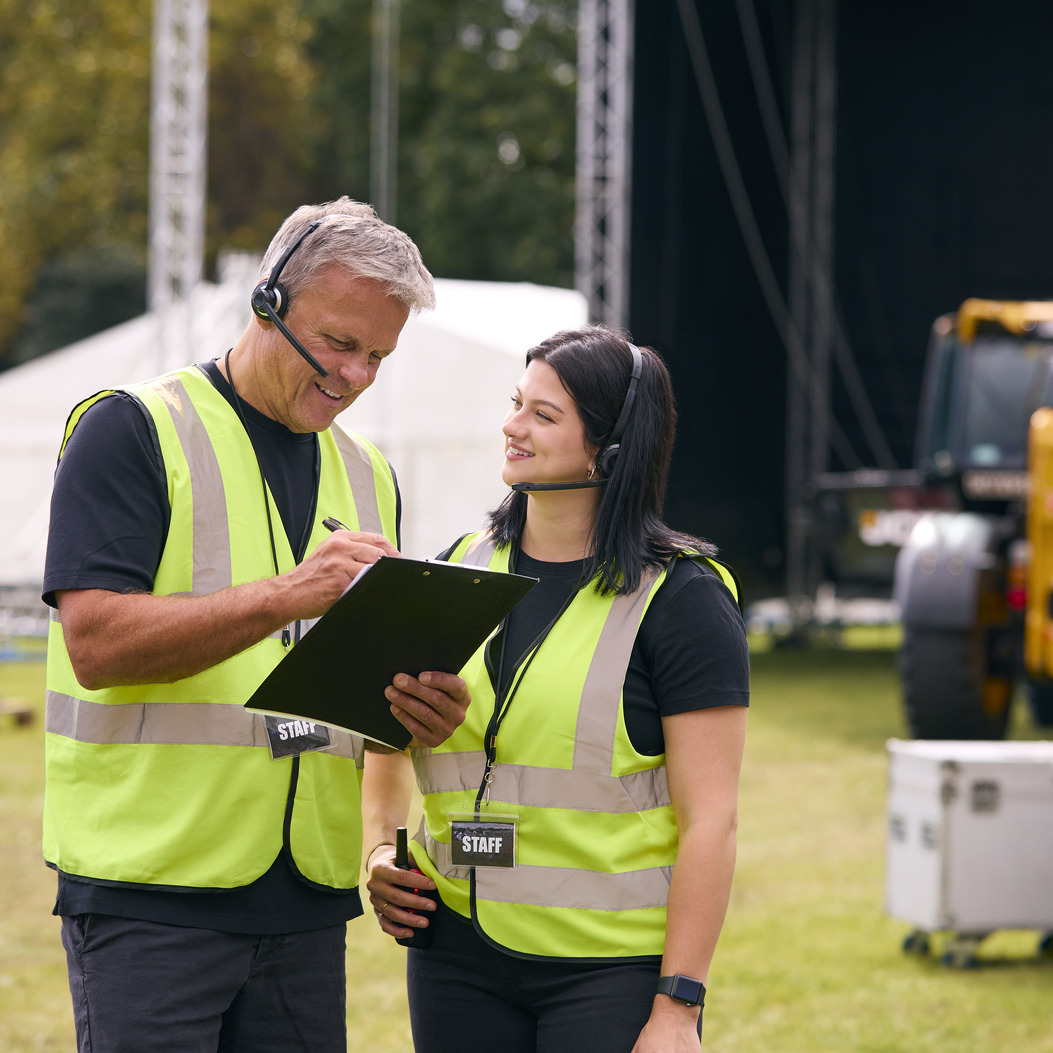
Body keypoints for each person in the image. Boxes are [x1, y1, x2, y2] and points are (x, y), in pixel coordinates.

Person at [41, 197, 471, 1053]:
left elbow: (355, 697)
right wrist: (285, 594)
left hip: (304, 898)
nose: (355, 376)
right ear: (267, 301)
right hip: (152, 891)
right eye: (341, 343)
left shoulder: (368, 473)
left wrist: (416, 706)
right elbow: (94, 646)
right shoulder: (129, 429)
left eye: (379, 357)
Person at [363, 326, 749, 1052]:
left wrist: (677, 1007)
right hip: (454, 957)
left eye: (543, 415)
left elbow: (712, 822)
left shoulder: (683, 601)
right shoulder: (455, 568)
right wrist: (378, 854)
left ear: (612, 447)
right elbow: (383, 727)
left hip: (608, 970)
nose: (511, 426)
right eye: (516, 403)